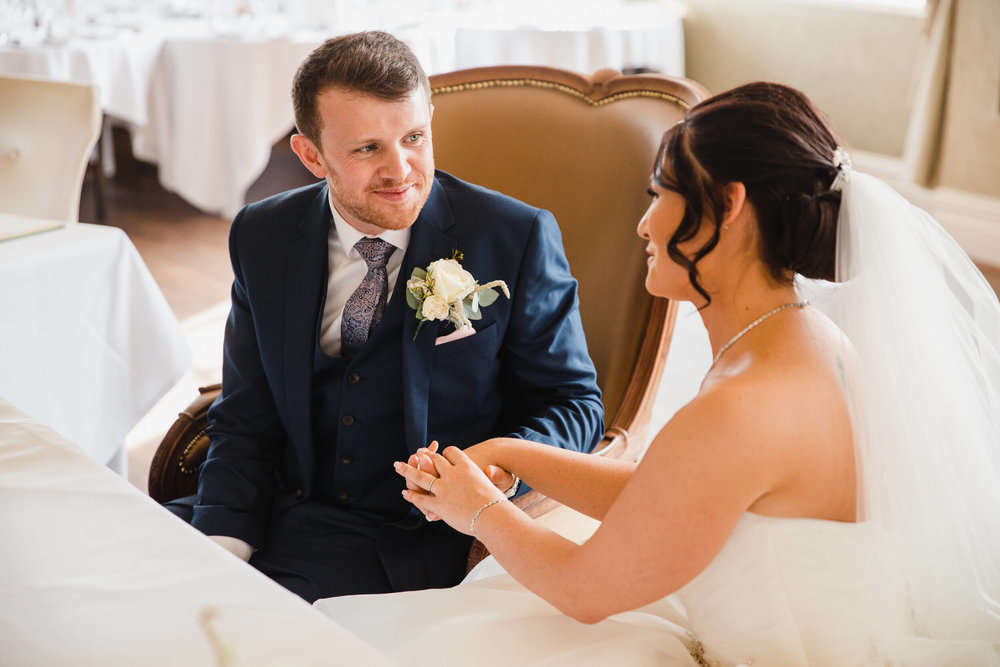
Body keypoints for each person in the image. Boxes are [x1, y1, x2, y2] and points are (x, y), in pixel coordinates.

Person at [316, 82, 1000, 665]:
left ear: (727, 207)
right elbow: (671, 492)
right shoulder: (798, 336)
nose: (643, 224)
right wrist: (511, 452)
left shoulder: (745, 404)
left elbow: (585, 589)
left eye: (659, 193)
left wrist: (480, 511)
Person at [174, 31, 604, 602]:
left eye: (414, 138)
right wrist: (224, 544)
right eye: (367, 148)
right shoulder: (263, 233)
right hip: (273, 505)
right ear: (311, 155)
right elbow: (246, 415)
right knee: (128, 572)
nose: (401, 170)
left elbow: (575, 404)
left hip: (400, 540)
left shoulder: (513, 236)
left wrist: (505, 470)